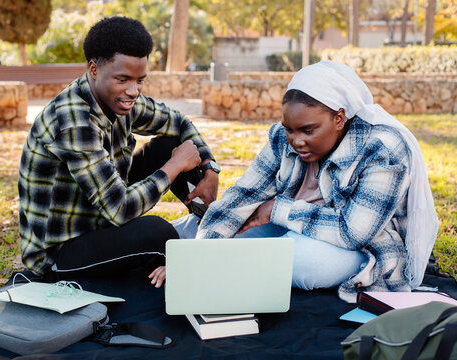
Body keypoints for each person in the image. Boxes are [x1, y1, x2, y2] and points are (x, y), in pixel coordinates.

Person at [170, 61, 438, 302]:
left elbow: (353, 232)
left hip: (360, 246)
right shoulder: (280, 136)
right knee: (201, 229)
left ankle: (229, 262)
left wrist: (277, 209)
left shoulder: (383, 150)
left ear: (339, 118)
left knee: (303, 263)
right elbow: (244, 195)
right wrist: (201, 253)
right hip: (291, 227)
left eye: (308, 130)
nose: (297, 141)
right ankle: (223, 259)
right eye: (290, 129)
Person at [18, 16, 219, 286]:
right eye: (123, 79)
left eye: (140, 80)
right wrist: (173, 168)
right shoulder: (73, 121)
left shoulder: (119, 98)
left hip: (99, 215)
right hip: (61, 253)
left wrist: (209, 167)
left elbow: (179, 122)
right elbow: (119, 209)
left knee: (169, 145)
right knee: (157, 232)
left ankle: (207, 225)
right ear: (93, 70)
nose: (133, 91)